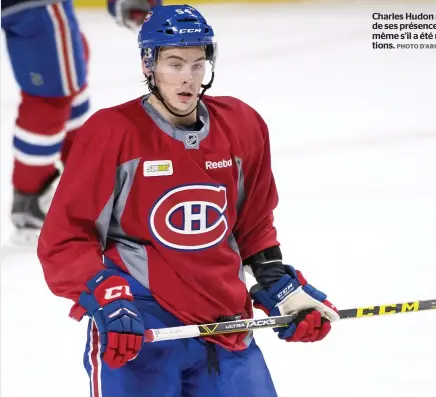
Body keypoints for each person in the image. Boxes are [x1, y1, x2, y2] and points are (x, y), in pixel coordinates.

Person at [37, 4, 340, 397]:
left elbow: (252, 225)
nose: (188, 78)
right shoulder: (113, 132)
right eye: (175, 64)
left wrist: (275, 281)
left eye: (198, 64)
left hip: (227, 325)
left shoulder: (242, 124)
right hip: (142, 326)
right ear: (149, 65)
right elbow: (65, 237)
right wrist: (106, 293)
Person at [1, 0, 157, 244]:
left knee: (70, 72)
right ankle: (32, 200)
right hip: (37, 6)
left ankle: (83, 184)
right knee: (52, 92)